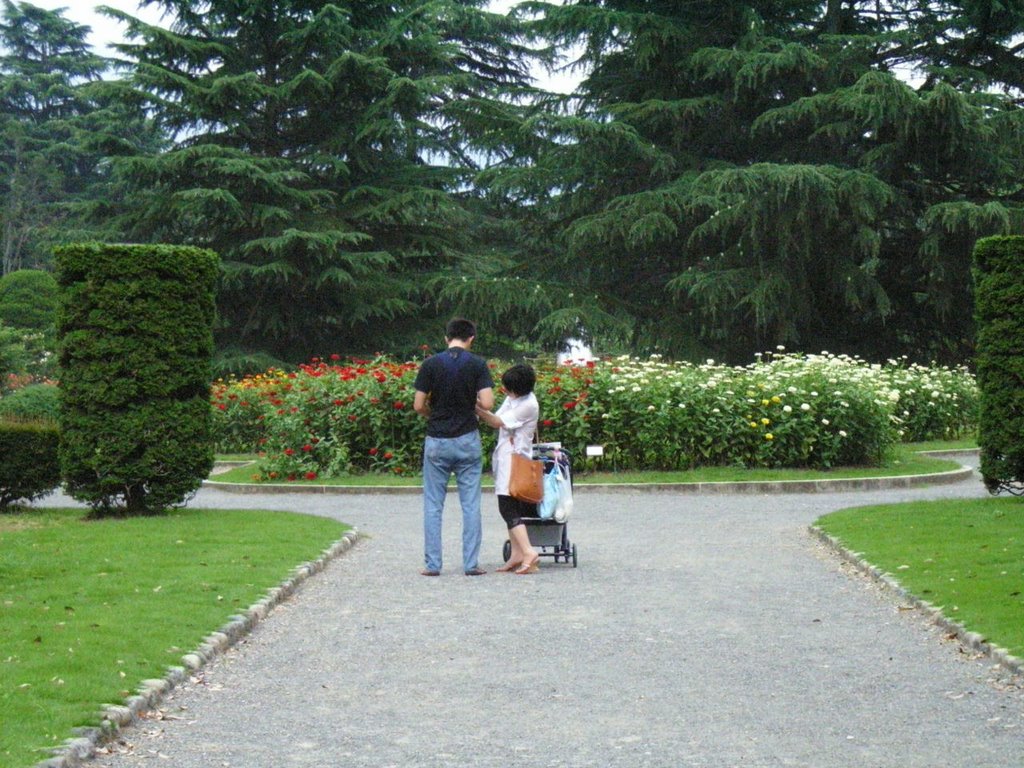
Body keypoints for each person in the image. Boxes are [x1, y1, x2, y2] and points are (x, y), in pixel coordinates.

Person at [413, 318, 494, 576]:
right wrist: (470, 407)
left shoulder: (431, 364)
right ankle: (470, 563)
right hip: (467, 437)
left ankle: (433, 564)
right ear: (471, 338)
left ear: (446, 338)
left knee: (433, 504)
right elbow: (488, 402)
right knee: (470, 504)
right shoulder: (478, 364)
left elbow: (418, 405)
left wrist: (433, 414)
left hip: (437, 438)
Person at [475, 363, 541, 575]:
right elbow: (493, 413)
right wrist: (476, 401)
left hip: (515, 460)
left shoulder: (529, 404)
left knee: (507, 507)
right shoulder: (514, 398)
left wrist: (472, 405)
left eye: (508, 388)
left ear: (517, 388)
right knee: (510, 504)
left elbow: (497, 421)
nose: (505, 391)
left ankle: (529, 551)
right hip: (506, 456)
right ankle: (516, 553)